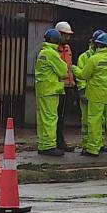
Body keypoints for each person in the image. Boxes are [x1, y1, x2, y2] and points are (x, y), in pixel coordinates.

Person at [74, 32, 107, 157]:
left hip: (96, 96)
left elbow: (83, 75)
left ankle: (93, 149)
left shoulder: (93, 59)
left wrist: (73, 68)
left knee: (95, 122)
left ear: (99, 45)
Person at [35, 28, 69, 157]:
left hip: (42, 89)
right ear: (55, 40)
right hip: (51, 90)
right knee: (50, 118)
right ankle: (49, 146)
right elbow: (63, 71)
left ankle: (43, 145)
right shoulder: (51, 53)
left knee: (43, 119)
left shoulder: (42, 52)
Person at [77, 29, 105, 148]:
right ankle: (86, 144)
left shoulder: (103, 56)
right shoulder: (84, 57)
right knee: (86, 121)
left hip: (99, 94)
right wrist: (82, 92)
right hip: (88, 94)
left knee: (100, 121)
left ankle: (98, 144)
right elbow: (81, 76)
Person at [54, 21, 77, 152]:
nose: (67, 38)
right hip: (58, 87)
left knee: (63, 115)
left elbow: (69, 67)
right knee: (56, 115)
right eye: (65, 35)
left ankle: (60, 140)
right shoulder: (53, 50)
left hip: (68, 86)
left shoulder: (67, 49)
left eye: (68, 35)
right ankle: (58, 141)